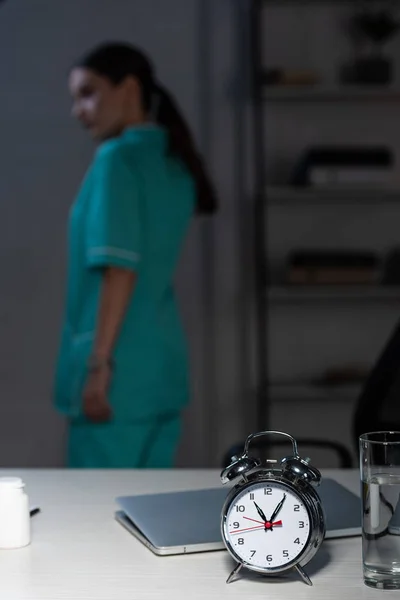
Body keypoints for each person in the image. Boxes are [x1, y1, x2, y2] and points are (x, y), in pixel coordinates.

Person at [54, 42, 217, 468]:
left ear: (128, 87)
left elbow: (120, 270)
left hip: (117, 378)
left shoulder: (116, 160)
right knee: (146, 515)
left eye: (88, 93)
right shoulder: (175, 162)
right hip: (160, 372)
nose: (78, 111)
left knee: (95, 520)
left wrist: (98, 366)